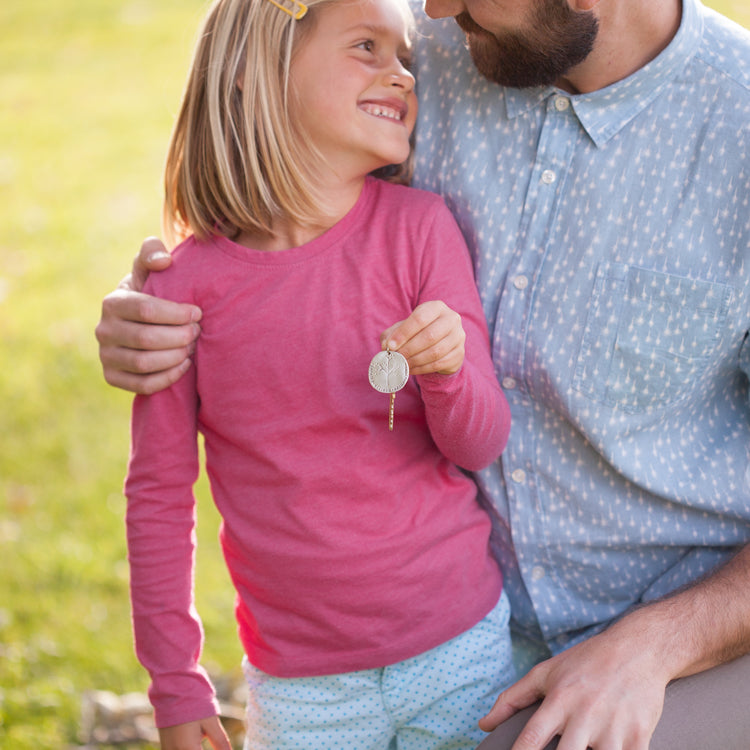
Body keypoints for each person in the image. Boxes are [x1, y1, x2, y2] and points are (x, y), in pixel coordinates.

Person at [98, 0, 750, 747]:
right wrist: (148, 309)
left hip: (689, 636)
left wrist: (661, 643)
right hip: (427, 648)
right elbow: (274, 128)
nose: (434, 11)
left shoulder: (739, 124)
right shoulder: (434, 46)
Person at [122, 0, 518, 748]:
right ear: (255, 70)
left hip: (460, 649)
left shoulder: (421, 230)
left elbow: (480, 441)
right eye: (366, 46)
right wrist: (176, 688)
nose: (399, 73)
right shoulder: (182, 291)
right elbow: (159, 499)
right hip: (302, 686)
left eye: (403, 56)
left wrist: (447, 373)